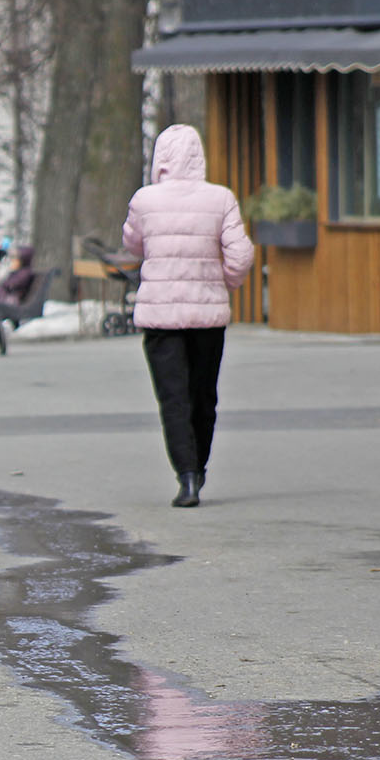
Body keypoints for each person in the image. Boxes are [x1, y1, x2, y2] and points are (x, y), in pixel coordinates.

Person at [120, 124, 253, 508]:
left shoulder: (144, 200)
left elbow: (132, 244)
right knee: (203, 395)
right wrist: (224, 282)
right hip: (207, 316)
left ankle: (187, 477)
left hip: (161, 318)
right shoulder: (221, 198)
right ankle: (201, 466)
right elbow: (241, 255)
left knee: (173, 398)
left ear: (160, 158)